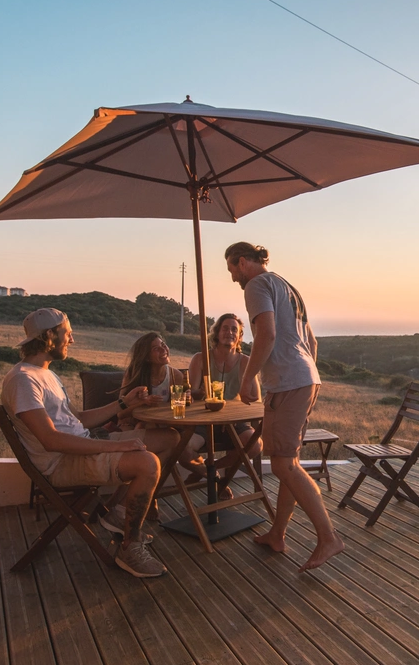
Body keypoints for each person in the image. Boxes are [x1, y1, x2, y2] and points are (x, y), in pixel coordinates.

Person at [1, 308, 176, 578]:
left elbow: (79, 419)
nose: (72, 340)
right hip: (62, 462)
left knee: (169, 438)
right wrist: (117, 446)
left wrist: (124, 403)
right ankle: (130, 546)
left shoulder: (46, 374)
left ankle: (118, 514)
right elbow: (51, 440)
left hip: (84, 444)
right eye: (67, 333)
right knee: (147, 464)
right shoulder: (23, 380)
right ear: (49, 336)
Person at [224, 242, 344, 571]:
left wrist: (248, 379)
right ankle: (277, 533)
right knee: (288, 461)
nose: (232, 277)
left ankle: (328, 537)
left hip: (289, 383)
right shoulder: (287, 286)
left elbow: (267, 333)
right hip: (305, 379)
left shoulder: (256, 285)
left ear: (243, 262)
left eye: (232, 269)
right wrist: (304, 373)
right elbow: (312, 342)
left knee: (282, 464)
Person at [187, 314, 262, 498]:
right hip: (204, 420)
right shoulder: (201, 359)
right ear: (217, 333)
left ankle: (210, 470)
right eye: (225, 328)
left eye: (234, 329)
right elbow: (191, 394)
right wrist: (199, 393)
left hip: (234, 421)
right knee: (183, 447)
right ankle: (215, 479)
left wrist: (236, 410)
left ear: (239, 336)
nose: (230, 332)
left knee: (255, 445)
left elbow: (256, 400)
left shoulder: (245, 362)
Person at [118, 332, 206, 481]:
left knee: (177, 446)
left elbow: (182, 409)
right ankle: (211, 475)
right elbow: (121, 414)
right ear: (146, 357)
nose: (163, 349)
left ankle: (211, 476)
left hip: (165, 427)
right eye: (156, 348)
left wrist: (188, 399)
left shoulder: (175, 376)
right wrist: (141, 402)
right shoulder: (134, 375)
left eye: (163, 345)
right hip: (133, 425)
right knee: (161, 445)